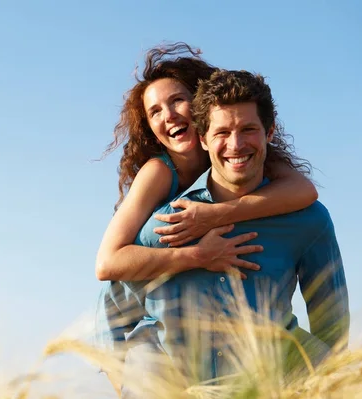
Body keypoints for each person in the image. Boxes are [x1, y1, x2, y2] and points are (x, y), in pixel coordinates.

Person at [93, 43, 318, 395]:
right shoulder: (158, 173)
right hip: (134, 305)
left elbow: (305, 192)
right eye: (154, 112)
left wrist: (213, 215)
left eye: (177, 100)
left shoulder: (241, 149)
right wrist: (198, 255)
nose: (167, 115)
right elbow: (107, 264)